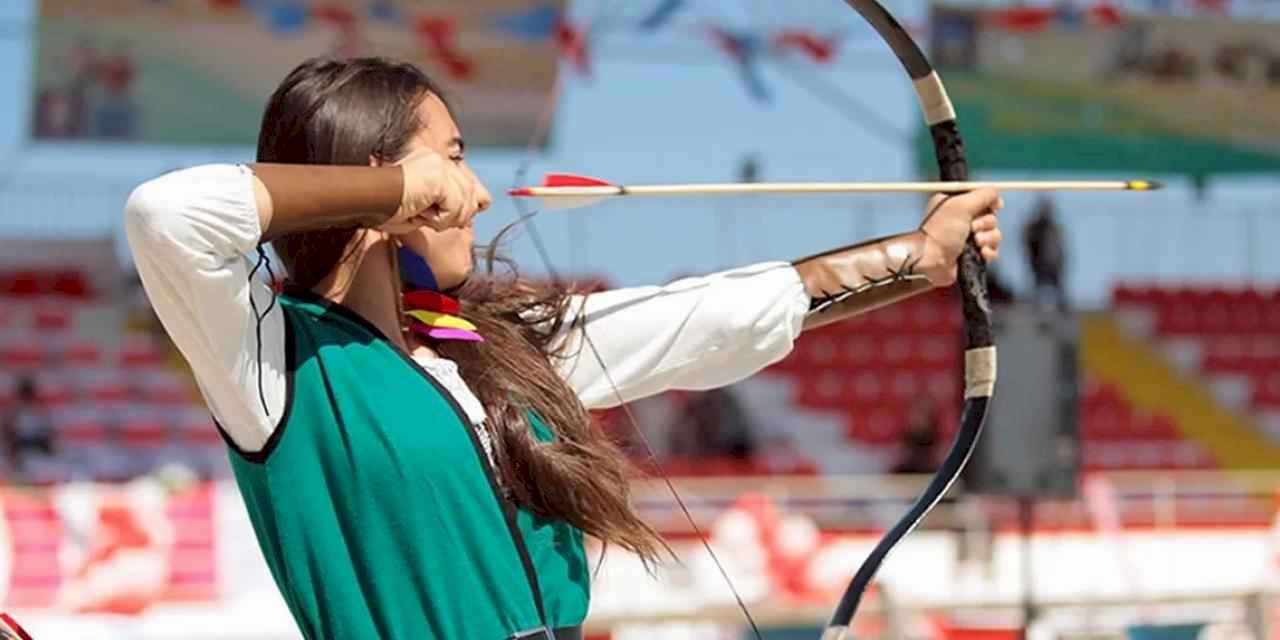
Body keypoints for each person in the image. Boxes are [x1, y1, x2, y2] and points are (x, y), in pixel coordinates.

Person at [123, 57, 1003, 640]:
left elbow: (701, 317)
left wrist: (913, 262)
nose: (476, 193)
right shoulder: (273, 363)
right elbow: (165, 217)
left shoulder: (483, 350)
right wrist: (397, 187)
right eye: (453, 159)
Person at [2, 376, 56, 482]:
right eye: (25, 395)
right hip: (19, 440)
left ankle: (45, 475)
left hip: (37, 439)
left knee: (48, 450)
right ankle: (17, 474)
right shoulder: (14, 410)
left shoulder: (39, 409)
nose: (27, 398)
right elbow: (8, 429)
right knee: (12, 448)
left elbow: (47, 429)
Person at [1023, 196, 1067, 311]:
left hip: (1052, 265)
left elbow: (1059, 249)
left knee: (1056, 290)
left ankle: (1061, 309)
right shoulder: (1035, 228)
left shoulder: (1053, 228)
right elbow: (1027, 241)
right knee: (1038, 288)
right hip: (1040, 264)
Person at [891, 397, 941, 474]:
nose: (918, 418)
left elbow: (934, 458)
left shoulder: (934, 437)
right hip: (908, 472)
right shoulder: (906, 436)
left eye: (922, 414)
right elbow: (902, 457)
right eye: (916, 414)